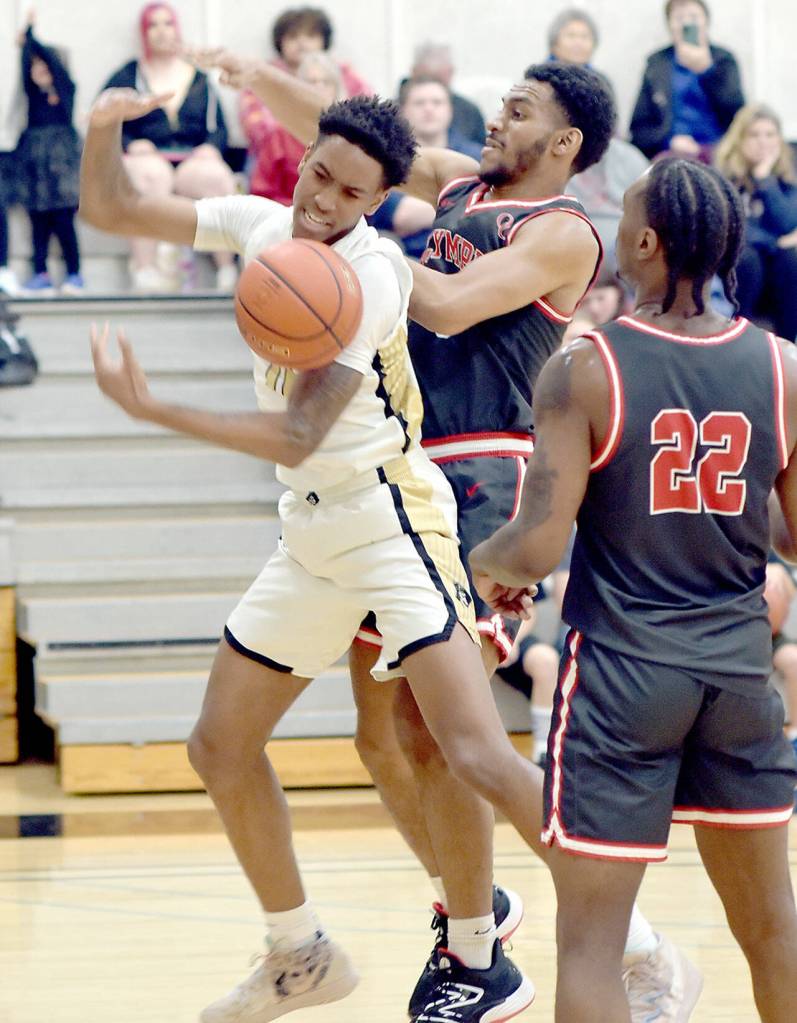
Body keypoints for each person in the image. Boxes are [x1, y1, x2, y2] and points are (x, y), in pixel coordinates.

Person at [205, 52, 702, 1020]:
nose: (494, 118)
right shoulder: (463, 183)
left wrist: (347, 252)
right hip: (393, 474)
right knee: (380, 739)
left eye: (516, 111)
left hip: (477, 476)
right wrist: (259, 81)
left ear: (562, 142)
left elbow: (445, 301)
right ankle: (479, 913)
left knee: (449, 742)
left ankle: (628, 948)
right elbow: (372, 145)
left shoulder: (564, 234)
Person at [81, 86, 545, 1023]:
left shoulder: (374, 274)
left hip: (391, 521)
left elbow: (298, 432)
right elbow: (116, 209)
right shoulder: (265, 225)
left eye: (345, 191)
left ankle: (612, 942)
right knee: (219, 744)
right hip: (312, 532)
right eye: (315, 174)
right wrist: (101, 129)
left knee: (470, 749)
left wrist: (154, 407)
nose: (319, 200)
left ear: (375, 202)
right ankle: (299, 953)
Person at [469, 156, 797, 1023]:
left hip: (622, 676)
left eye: (623, 219)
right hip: (736, 673)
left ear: (644, 242)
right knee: (773, 931)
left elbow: (537, 543)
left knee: (590, 945)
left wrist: (484, 568)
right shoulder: (780, 367)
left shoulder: (585, 366)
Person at [102, 3, 236, 292]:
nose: (161, 31)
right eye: (153, 25)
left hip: (191, 159)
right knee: (149, 177)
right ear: (144, 32)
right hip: (147, 158)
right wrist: (130, 144)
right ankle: (145, 268)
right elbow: (104, 119)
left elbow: (219, 127)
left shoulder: (198, 79)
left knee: (216, 178)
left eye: (167, 24)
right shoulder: (128, 76)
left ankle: (227, 269)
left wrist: (212, 147)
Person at [715, 103, 797, 342]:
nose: (763, 142)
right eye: (754, 135)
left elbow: (788, 222)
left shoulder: (786, 178)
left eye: (770, 135)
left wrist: (765, 180)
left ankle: (787, 342)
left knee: (792, 259)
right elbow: (733, 227)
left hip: (777, 266)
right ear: (739, 139)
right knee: (747, 257)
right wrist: (774, 241)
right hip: (744, 262)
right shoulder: (725, 176)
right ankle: (742, 339)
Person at [15, 11, 83, 296]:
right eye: (35, 67)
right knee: (38, 223)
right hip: (36, 168)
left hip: (62, 168)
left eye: (44, 66)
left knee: (64, 222)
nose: (39, 71)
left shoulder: (65, 92)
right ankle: (40, 272)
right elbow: (25, 66)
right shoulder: (34, 98)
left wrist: (31, 33)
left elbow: (54, 66)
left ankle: (74, 273)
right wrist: (26, 48)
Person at [630, 0, 744, 162]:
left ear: (706, 21)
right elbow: (639, 126)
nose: (687, 24)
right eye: (679, 18)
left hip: (718, 151)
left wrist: (707, 71)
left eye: (693, 17)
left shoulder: (723, 60)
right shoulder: (657, 63)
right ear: (669, 25)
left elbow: (737, 115)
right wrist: (669, 140)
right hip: (670, 153)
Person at [240, 51, 343, 206]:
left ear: (337, 89)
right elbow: (260, 193)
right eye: (311, 82)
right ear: (298, 89)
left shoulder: (349, 136)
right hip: (286, 217)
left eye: (326, 82)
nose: (319, 88)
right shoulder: (278, 134)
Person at [267, 5, 371, 98]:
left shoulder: (341, 73)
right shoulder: (266, 76)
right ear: (280, 42)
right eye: (293, 36)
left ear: (324, 40)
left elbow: (368, 108)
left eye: (311, 36)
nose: (302, 43)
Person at [408, 42, 486, 147]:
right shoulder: (392, 112)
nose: (429, 108)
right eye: (419, 103)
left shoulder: (469, 112)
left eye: (437, 102)